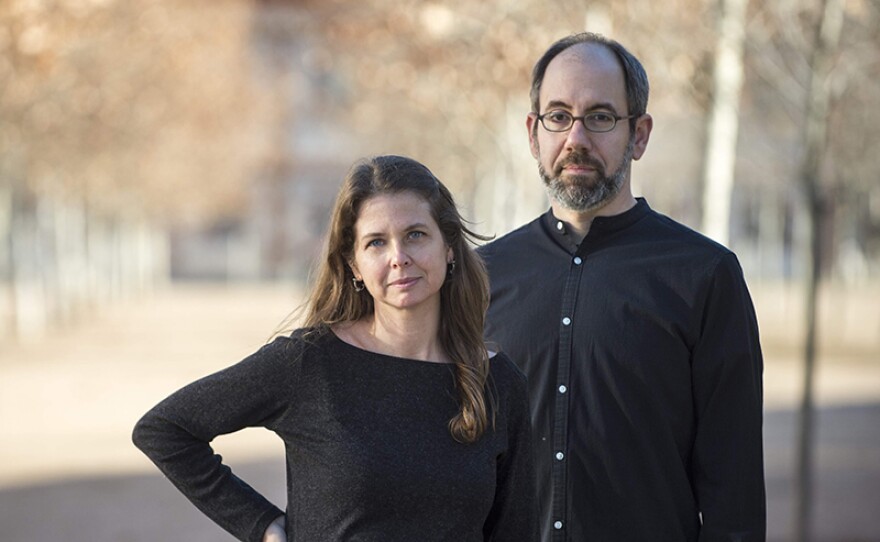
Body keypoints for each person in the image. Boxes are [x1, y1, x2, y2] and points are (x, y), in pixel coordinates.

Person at [133, 155, 538, 542]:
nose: (399, 258)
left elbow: (514, 533)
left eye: (415, 234)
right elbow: (165, 429)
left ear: (448, 247)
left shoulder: (499, 384)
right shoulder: (310, 364)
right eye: (376, 243)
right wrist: (262, 525)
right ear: (353, 265)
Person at [478, 33, 766, 541]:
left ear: (639, 134)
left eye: (601, 117)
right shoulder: (481, 278)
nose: (576, 138)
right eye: (558, 116)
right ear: (532, 133)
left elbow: (734, 493)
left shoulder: (705, 276)